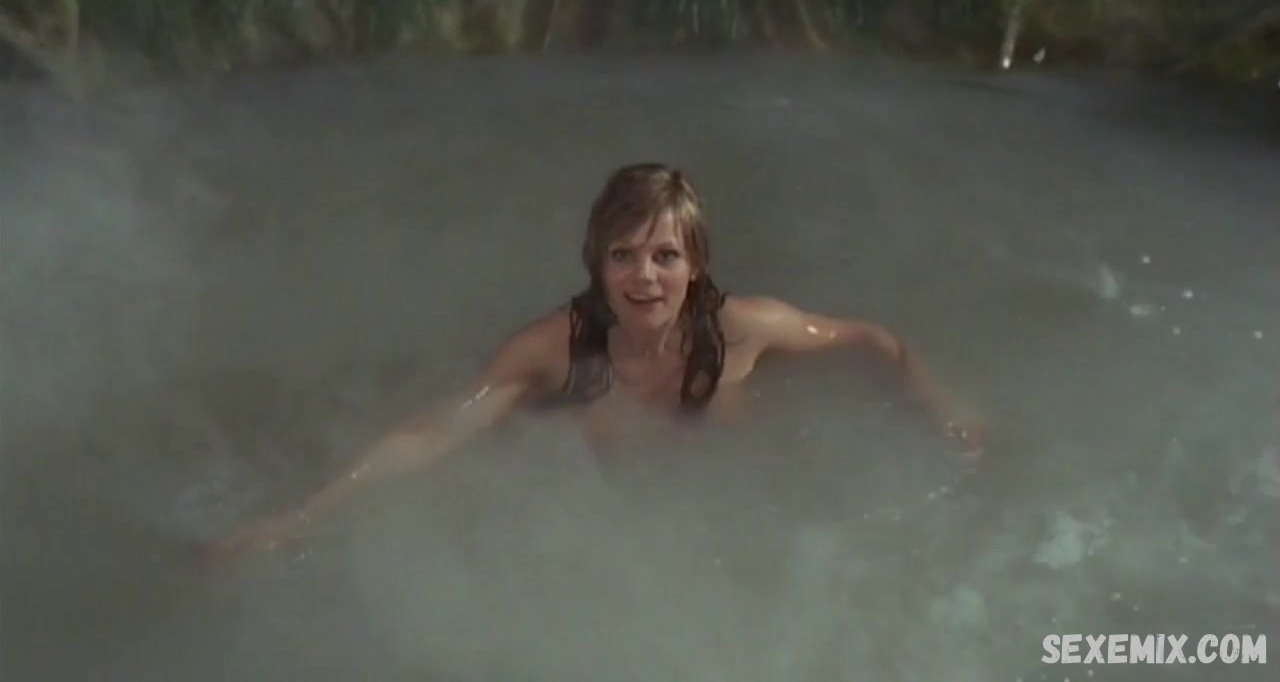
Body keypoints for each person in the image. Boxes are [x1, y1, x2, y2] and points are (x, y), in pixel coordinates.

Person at [205, 162, 987, 561]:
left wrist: (942, 406)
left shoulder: (742, 330)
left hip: (741, 515)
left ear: (696, 267)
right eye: (624, 255)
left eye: (665, 256)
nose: (645, 277)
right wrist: (297, 519)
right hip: (621, 528)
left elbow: (875, 342)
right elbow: (431, 434)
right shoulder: (553, 352)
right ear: (597, 264)